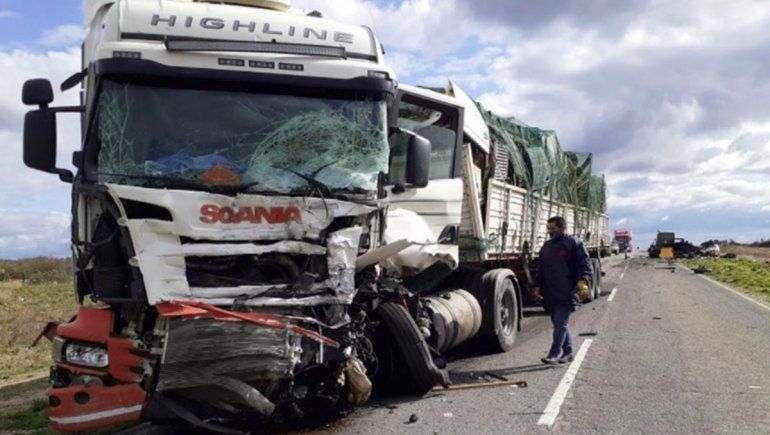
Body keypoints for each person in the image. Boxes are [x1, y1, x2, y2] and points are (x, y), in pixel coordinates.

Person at [533, 216, 592, 365]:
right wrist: (536, 286)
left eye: (553, 229)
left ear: (562, 228)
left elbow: (584, 264)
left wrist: (582, 282)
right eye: (548, 229)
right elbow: (540, 269)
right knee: (559, 325)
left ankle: (554, 354)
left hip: (567, 292)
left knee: (560, 324)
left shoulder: (573, 243)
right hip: (550, 293)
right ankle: (568, 352)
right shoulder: (546, 247)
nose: (550, 232)